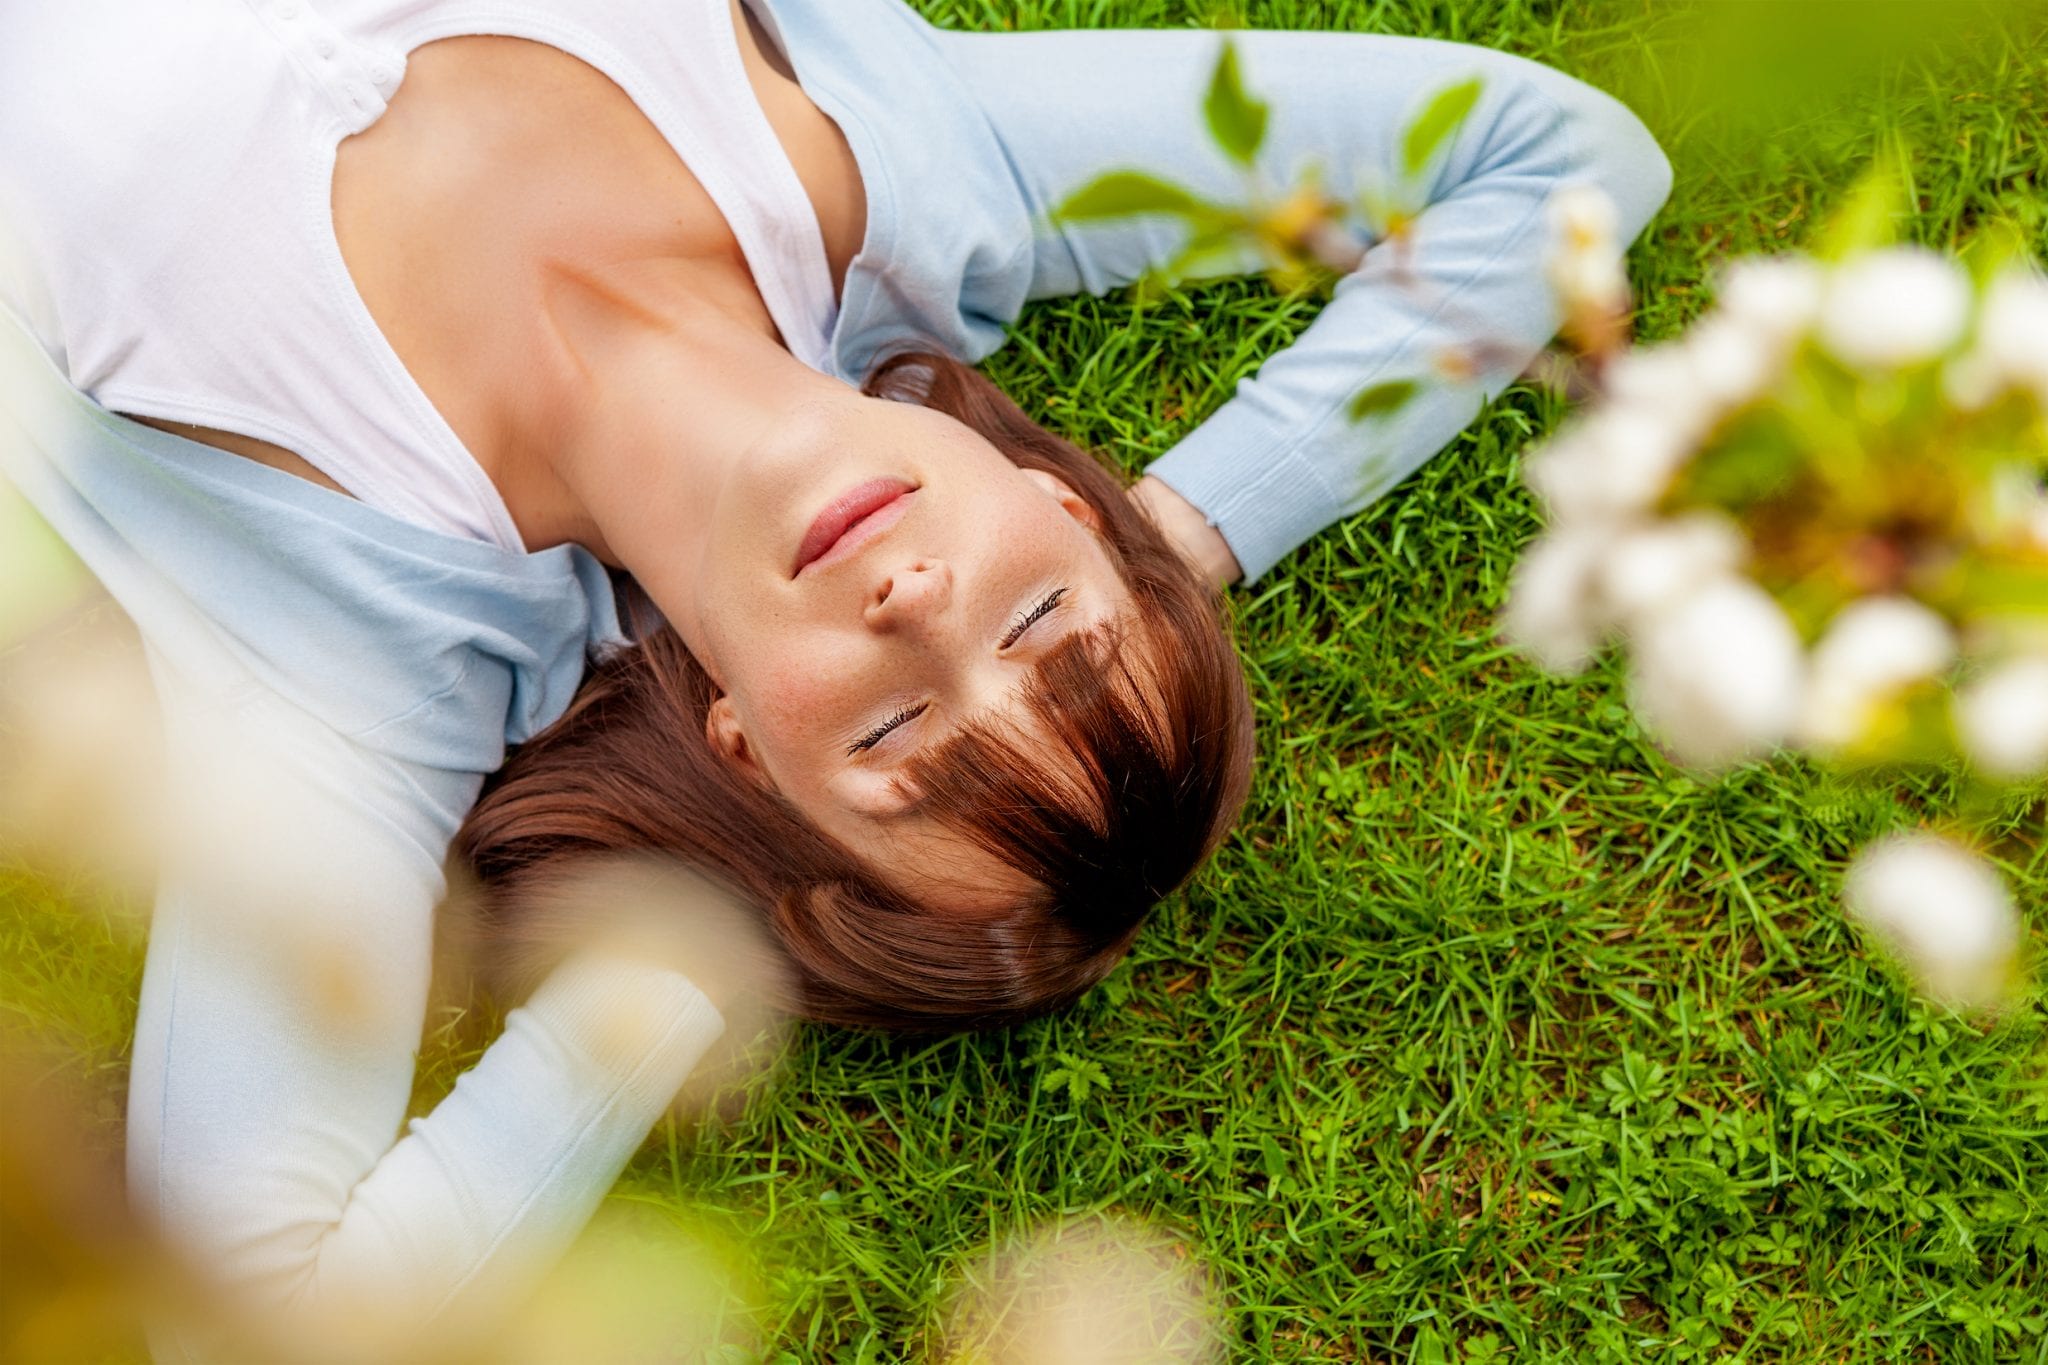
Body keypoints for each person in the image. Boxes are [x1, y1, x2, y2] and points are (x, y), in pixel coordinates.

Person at [0, 0, 1672, 1356]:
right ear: (1060, 502)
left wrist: (658, 972)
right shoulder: (924, 167)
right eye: (1046, 623)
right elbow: (1569, 164)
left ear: (740, 751)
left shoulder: (353, 674)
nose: (922, 601)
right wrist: (1196, 529)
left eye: (888, 731)